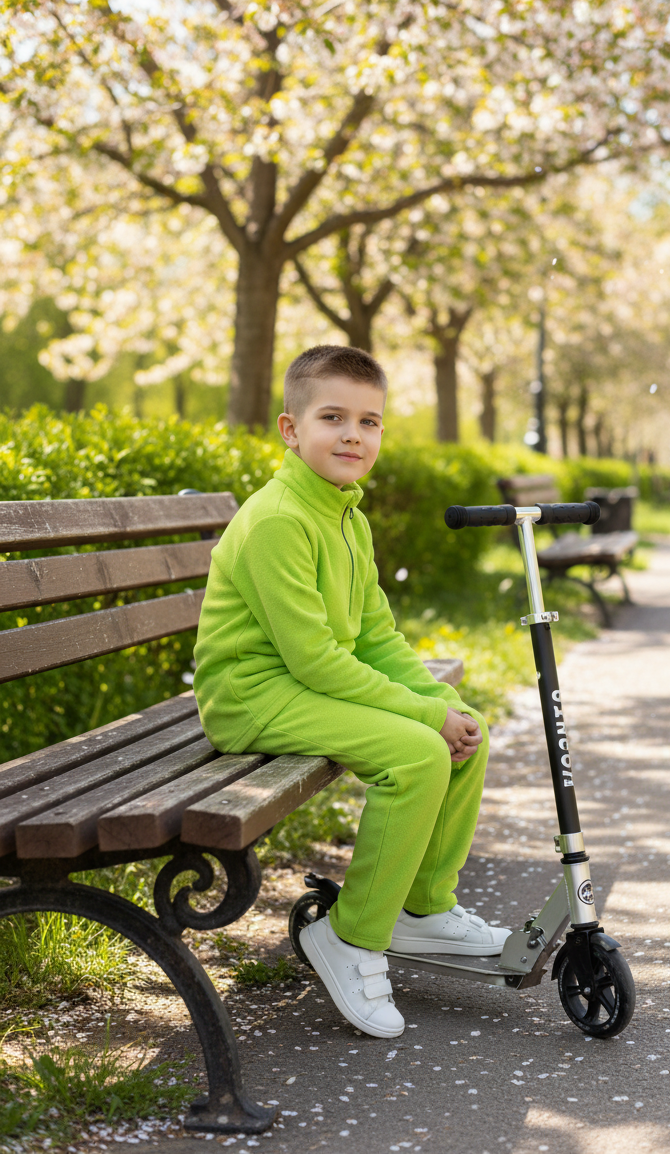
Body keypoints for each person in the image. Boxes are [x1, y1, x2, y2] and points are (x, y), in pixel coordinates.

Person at [193, 345, 507, 1040]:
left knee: (464, 729)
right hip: (251, 695)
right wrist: (424, 715)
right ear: (290, 428)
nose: (352, 435)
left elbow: (374, 639)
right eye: (332, 417)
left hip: (298, 684)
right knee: (420, 754)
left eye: (369, 422)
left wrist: (439, 702)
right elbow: (314, 660)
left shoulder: (347, 516)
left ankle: (423, 910)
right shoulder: (280, 520)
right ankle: (352, 938)